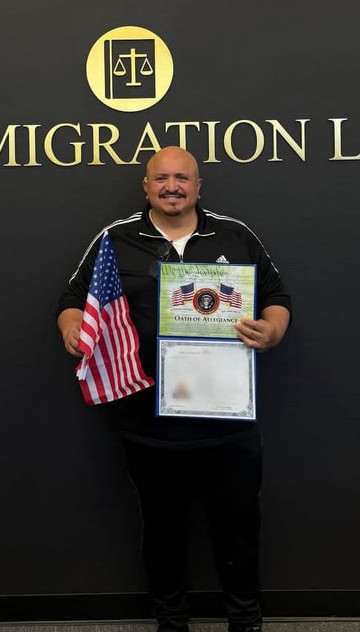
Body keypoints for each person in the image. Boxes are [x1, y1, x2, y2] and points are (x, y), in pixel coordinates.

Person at [56, 146, 291, 632]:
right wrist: (72, 327)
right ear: (146, 187)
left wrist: (272, 331)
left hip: (227, 420)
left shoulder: (235, 235)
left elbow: (276, 296)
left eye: (182, 178)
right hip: (148, 422)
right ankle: (171, 621)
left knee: (239, 528)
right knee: (162, 530)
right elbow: (73, 299)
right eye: (161, 178)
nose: (172, 187)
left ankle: (246, 621)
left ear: (198, 187)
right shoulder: (114, 239)